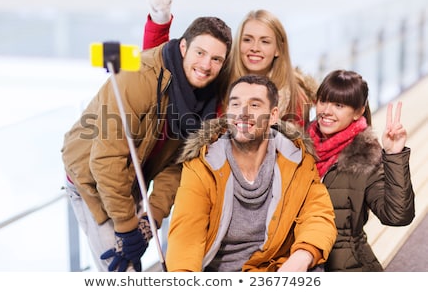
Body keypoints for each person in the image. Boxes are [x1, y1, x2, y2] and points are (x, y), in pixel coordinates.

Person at [61, 16, 232, 272]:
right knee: (121, 271)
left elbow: (175, 166)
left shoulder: (204, 100)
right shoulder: (138, 77)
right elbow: (106, 160)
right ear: (184, 47)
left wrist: (150, 218)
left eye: (216, 59)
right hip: (92, 180)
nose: (206, 65)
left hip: (130, 182)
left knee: (133, 264)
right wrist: (127, 227)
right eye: (200, 52)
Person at [165, 74, 337, 272]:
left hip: (277, 268)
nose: (242, 113)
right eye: (235, 104)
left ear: (273, 116)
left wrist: (303, 255)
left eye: (255, 105)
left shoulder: (297, 160)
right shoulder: (203, 166)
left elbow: (317, 214)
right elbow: (186, 237)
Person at [143, 0, 318, 127]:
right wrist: (159, 23)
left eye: (265, 41)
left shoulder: (295, 97)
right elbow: (166, 68)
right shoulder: (218, 79)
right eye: (247, 39)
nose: (254, 47)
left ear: (278, 48)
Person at [307, 69, 415, 271]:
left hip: (346, 266)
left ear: (358, 111)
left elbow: (397, 216)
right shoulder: (300, 146)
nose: (326, 111)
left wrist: (393, 156)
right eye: (323, 101)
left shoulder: (365, 158)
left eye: (339, 105)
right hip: (298, 262)